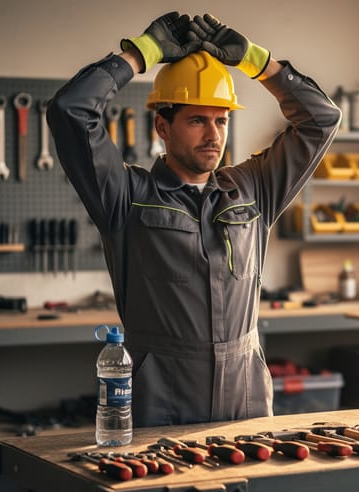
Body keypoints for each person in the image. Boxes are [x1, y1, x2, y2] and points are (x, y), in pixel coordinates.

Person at [48, 12, 340, 428]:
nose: (214, 134)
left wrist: (256, 61)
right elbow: (69, 111)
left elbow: (322, 119)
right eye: (198, 120)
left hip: (246, 399)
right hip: (162, 401)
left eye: (221, 120)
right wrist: (142, 53)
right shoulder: (127, 197)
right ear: (163, 127)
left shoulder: (254, 189)